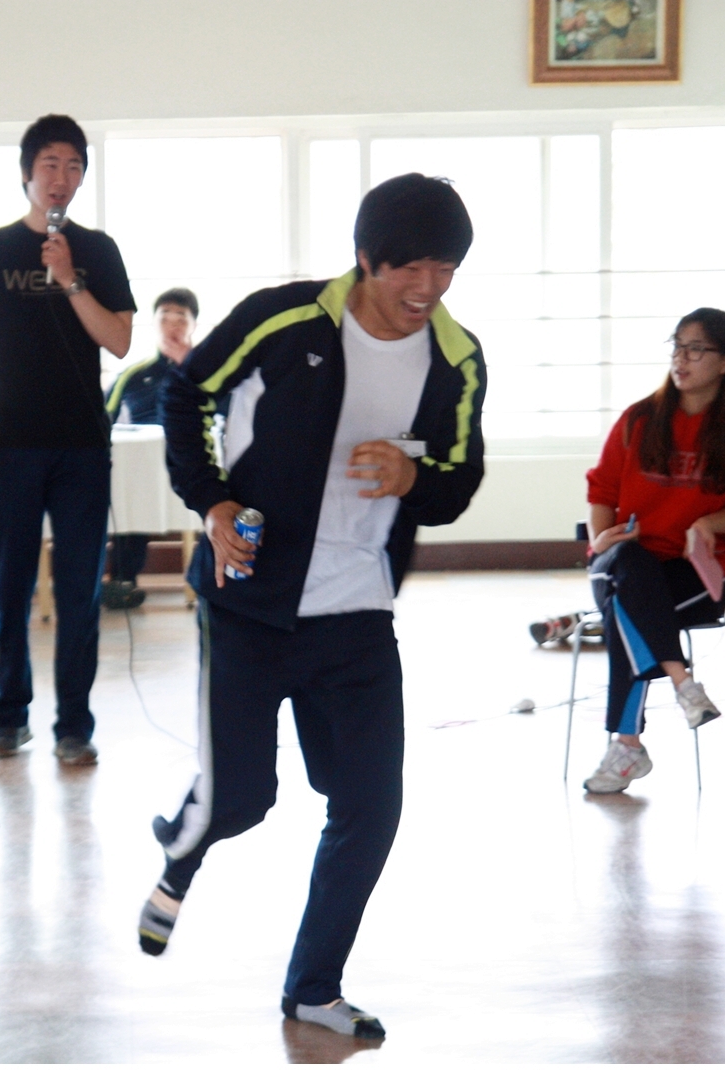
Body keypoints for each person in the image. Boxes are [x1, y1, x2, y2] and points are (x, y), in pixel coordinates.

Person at [143, 173, 487, 1039]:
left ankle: (313, 986)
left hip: (359, 609)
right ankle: (184, 847)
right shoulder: (285, 319)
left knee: (370, 806)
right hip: (250, 601)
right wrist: (213, 502)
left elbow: (459, 478)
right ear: (366, 258)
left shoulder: (457, 358)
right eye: (410, 267)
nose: (428, 287)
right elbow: (187, 394)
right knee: (241, 799)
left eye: (446, 268)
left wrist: (415, 476)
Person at [0, 114, 137, 765]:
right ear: (27, 172)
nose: (61, 177)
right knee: (9, 588)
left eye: (74, 166)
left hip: (83, 446)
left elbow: (118, 340)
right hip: (13, 444)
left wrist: (70, 279)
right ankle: (10, 715)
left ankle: (75, 726)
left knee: (82, 591)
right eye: (50, 164)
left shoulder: (99, 251)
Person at [580, 307, 725, 794]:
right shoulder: (639, 420)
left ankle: (629, 744)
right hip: (620, 560)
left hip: (691, 575)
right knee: (629, 571)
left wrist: (708, 523)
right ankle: (681, 682)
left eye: (696, 349)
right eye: (677, 347)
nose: (681, 359)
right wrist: (601, 539)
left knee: (627, 608)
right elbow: (602, 492)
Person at [102, 287, 203, 609]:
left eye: (181, 317)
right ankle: (122, 581)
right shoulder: (133, 375)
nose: (172, 324)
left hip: (195, 465)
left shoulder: (208, 370)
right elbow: (103, 419)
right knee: (128, 495)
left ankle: (211, 584)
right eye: (165, 317)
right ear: (154, 323)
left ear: (193, 324)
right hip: (143, 469)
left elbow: (227, 413)